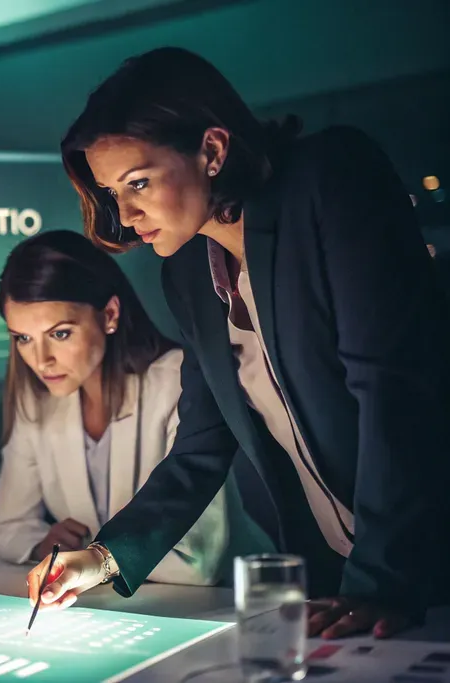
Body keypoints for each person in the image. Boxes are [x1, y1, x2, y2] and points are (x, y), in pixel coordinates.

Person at [26, 47, 450, 640]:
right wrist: (103, 558)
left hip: (417, 564)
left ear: (213, 150)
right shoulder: (188, 273)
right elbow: (201, 441)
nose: (124, 215)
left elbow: (391, 391)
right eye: (112, 193)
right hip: (342, 581)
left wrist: (383, 585)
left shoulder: (330, 179)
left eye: (138, 182)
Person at [0, 230, 272, 587]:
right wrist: (42, 545)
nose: (41, 360)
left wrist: (92, 560)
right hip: (118, 607)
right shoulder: (37, 402)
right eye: (23, 338)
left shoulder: (179, 383)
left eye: (60, 334)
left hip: (231, 601)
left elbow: (198, 561)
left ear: (109, 315)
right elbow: (5, 528)